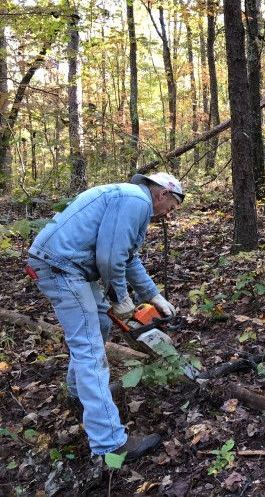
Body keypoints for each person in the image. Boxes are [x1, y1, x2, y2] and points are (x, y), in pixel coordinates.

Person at [25, 172, 185, 462]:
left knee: (99, 324)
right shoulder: (136, 201)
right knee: (89, 349)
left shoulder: (132, 201)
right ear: (162, 194)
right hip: (62, 267)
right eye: (171, 207)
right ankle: (109, 442)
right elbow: (110, 259)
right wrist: (119, 298)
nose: (168, 214)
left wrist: (154, 296)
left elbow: (128, 257)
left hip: (68, 266)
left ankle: (78, 395)